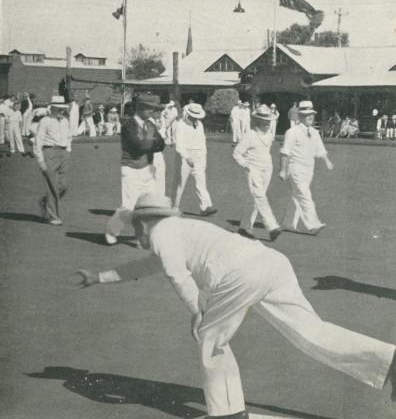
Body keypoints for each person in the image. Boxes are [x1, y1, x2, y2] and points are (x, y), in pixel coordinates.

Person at [77, 193, 396, 419]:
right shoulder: (180, 230)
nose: (135, 232)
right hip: (271, 263)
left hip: (241, 275)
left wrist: (197, 311)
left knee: (210, 340)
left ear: (146, 222)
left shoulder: (162, 232)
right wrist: (100, 277)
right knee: (313, 332)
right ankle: (388, 359)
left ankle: (227, 413)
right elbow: (146, 267)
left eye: (135, 226)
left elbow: (176, 275)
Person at [105, 93, 165, 245]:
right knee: (129, 207)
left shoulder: (150, 125)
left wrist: (148, 141)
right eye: (150, 108)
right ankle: (112, 230)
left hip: (148, 169)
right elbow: (137, 146)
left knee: (150, 205)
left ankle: (144, 236)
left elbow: (161, 145)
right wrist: (150, 141)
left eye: (154, 109)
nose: (153, 112)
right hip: (131, 170)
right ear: (140, 108)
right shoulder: (128, 125)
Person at [280, 100, 333, 235]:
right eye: (307, 115)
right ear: (300, 116)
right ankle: (313, 225)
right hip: (295, 168)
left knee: (297, 195)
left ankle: (288, 223)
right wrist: (283, 170)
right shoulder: (292, 132)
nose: (311, 117)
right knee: (305, 195)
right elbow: (285, 152)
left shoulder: (314, 132)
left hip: (309, 169)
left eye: (312, 114)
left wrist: (327, 160)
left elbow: (320, 149)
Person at [233, 105, 281, 241]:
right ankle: (272, 227)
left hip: (267, 168)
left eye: (269, 120)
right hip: (253, 169)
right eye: (264, 121)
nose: (267, 123)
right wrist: (246, 165)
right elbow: (237, 153)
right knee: (259, 196)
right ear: (258, 121)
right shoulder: (250, 135)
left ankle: (244, 228)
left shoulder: (270, 135)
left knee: (255, 197)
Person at [173, 103, 217, 216]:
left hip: (199, 155)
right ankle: (174, 207)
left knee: (201, 181)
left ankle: (206, 206)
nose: (196, 118)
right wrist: (186, 157)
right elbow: (179, 143)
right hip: (185, 155)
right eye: (194, 115)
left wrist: (204, 156)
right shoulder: (180, 125)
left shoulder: (200, 124)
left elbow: (203, 141)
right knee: (180, 183)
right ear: (188, 114)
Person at [34, 96, 71, 226]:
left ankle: (45, 202)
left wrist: (68, 150)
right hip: (49, 152)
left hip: (63, 153)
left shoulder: (65, 121)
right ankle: (53, 215)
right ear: (53, 108)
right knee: (51, 186)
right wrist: (40, 160)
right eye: (60, 108)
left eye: (63, 108)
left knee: (64, 185)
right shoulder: (45, 121)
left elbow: (69, 136)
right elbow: (38, 141)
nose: (62, 111)